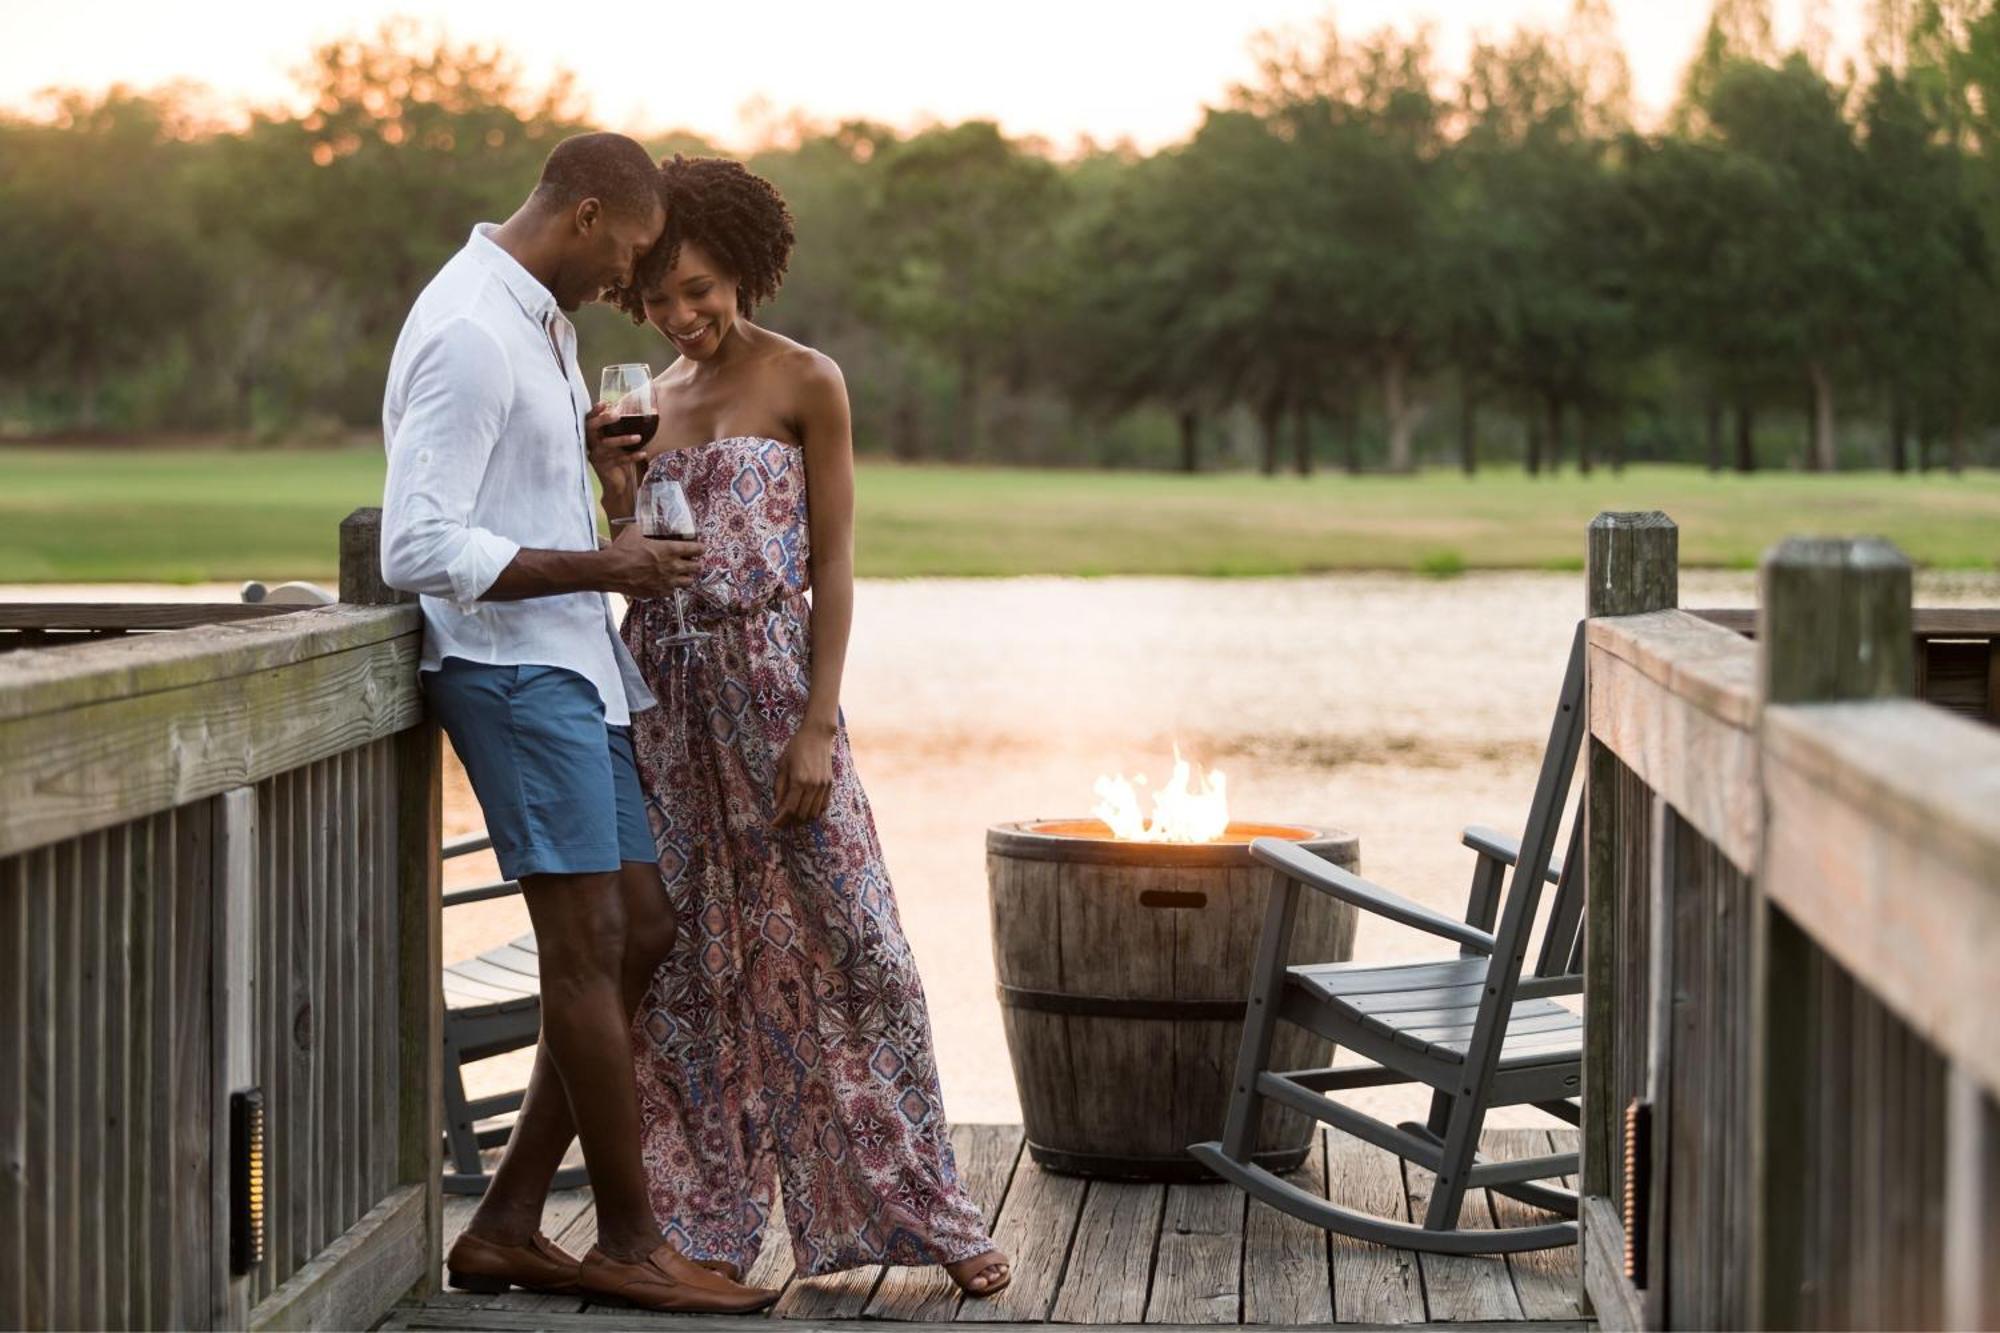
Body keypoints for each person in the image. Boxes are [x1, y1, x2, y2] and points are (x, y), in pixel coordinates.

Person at [590, 154, 1013, 1297]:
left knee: (855, 943)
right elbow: (641, 564)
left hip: (775, 686)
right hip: (665, 700)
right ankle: (702, 1225)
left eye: (698, 287)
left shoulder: (806, 381)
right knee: (679, 969)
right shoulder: (649, 399)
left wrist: (818, 723)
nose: (683, 315)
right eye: (660, 298)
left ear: (741, 262)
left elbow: (831, 562)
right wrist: (613, 485)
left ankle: (927, 1209)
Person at [379, 131, 778, 1314]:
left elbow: (522, 501)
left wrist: (605, 485)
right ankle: (627, 1239)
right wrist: (603, 562)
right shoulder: (466, 329)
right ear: (590, 213)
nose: (638, 284)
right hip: (512, 672)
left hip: (577, 666)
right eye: (638, 251)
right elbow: (416, 544)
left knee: (641, 927)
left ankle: (504, 1219)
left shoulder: (540, 322)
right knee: (590, 946)